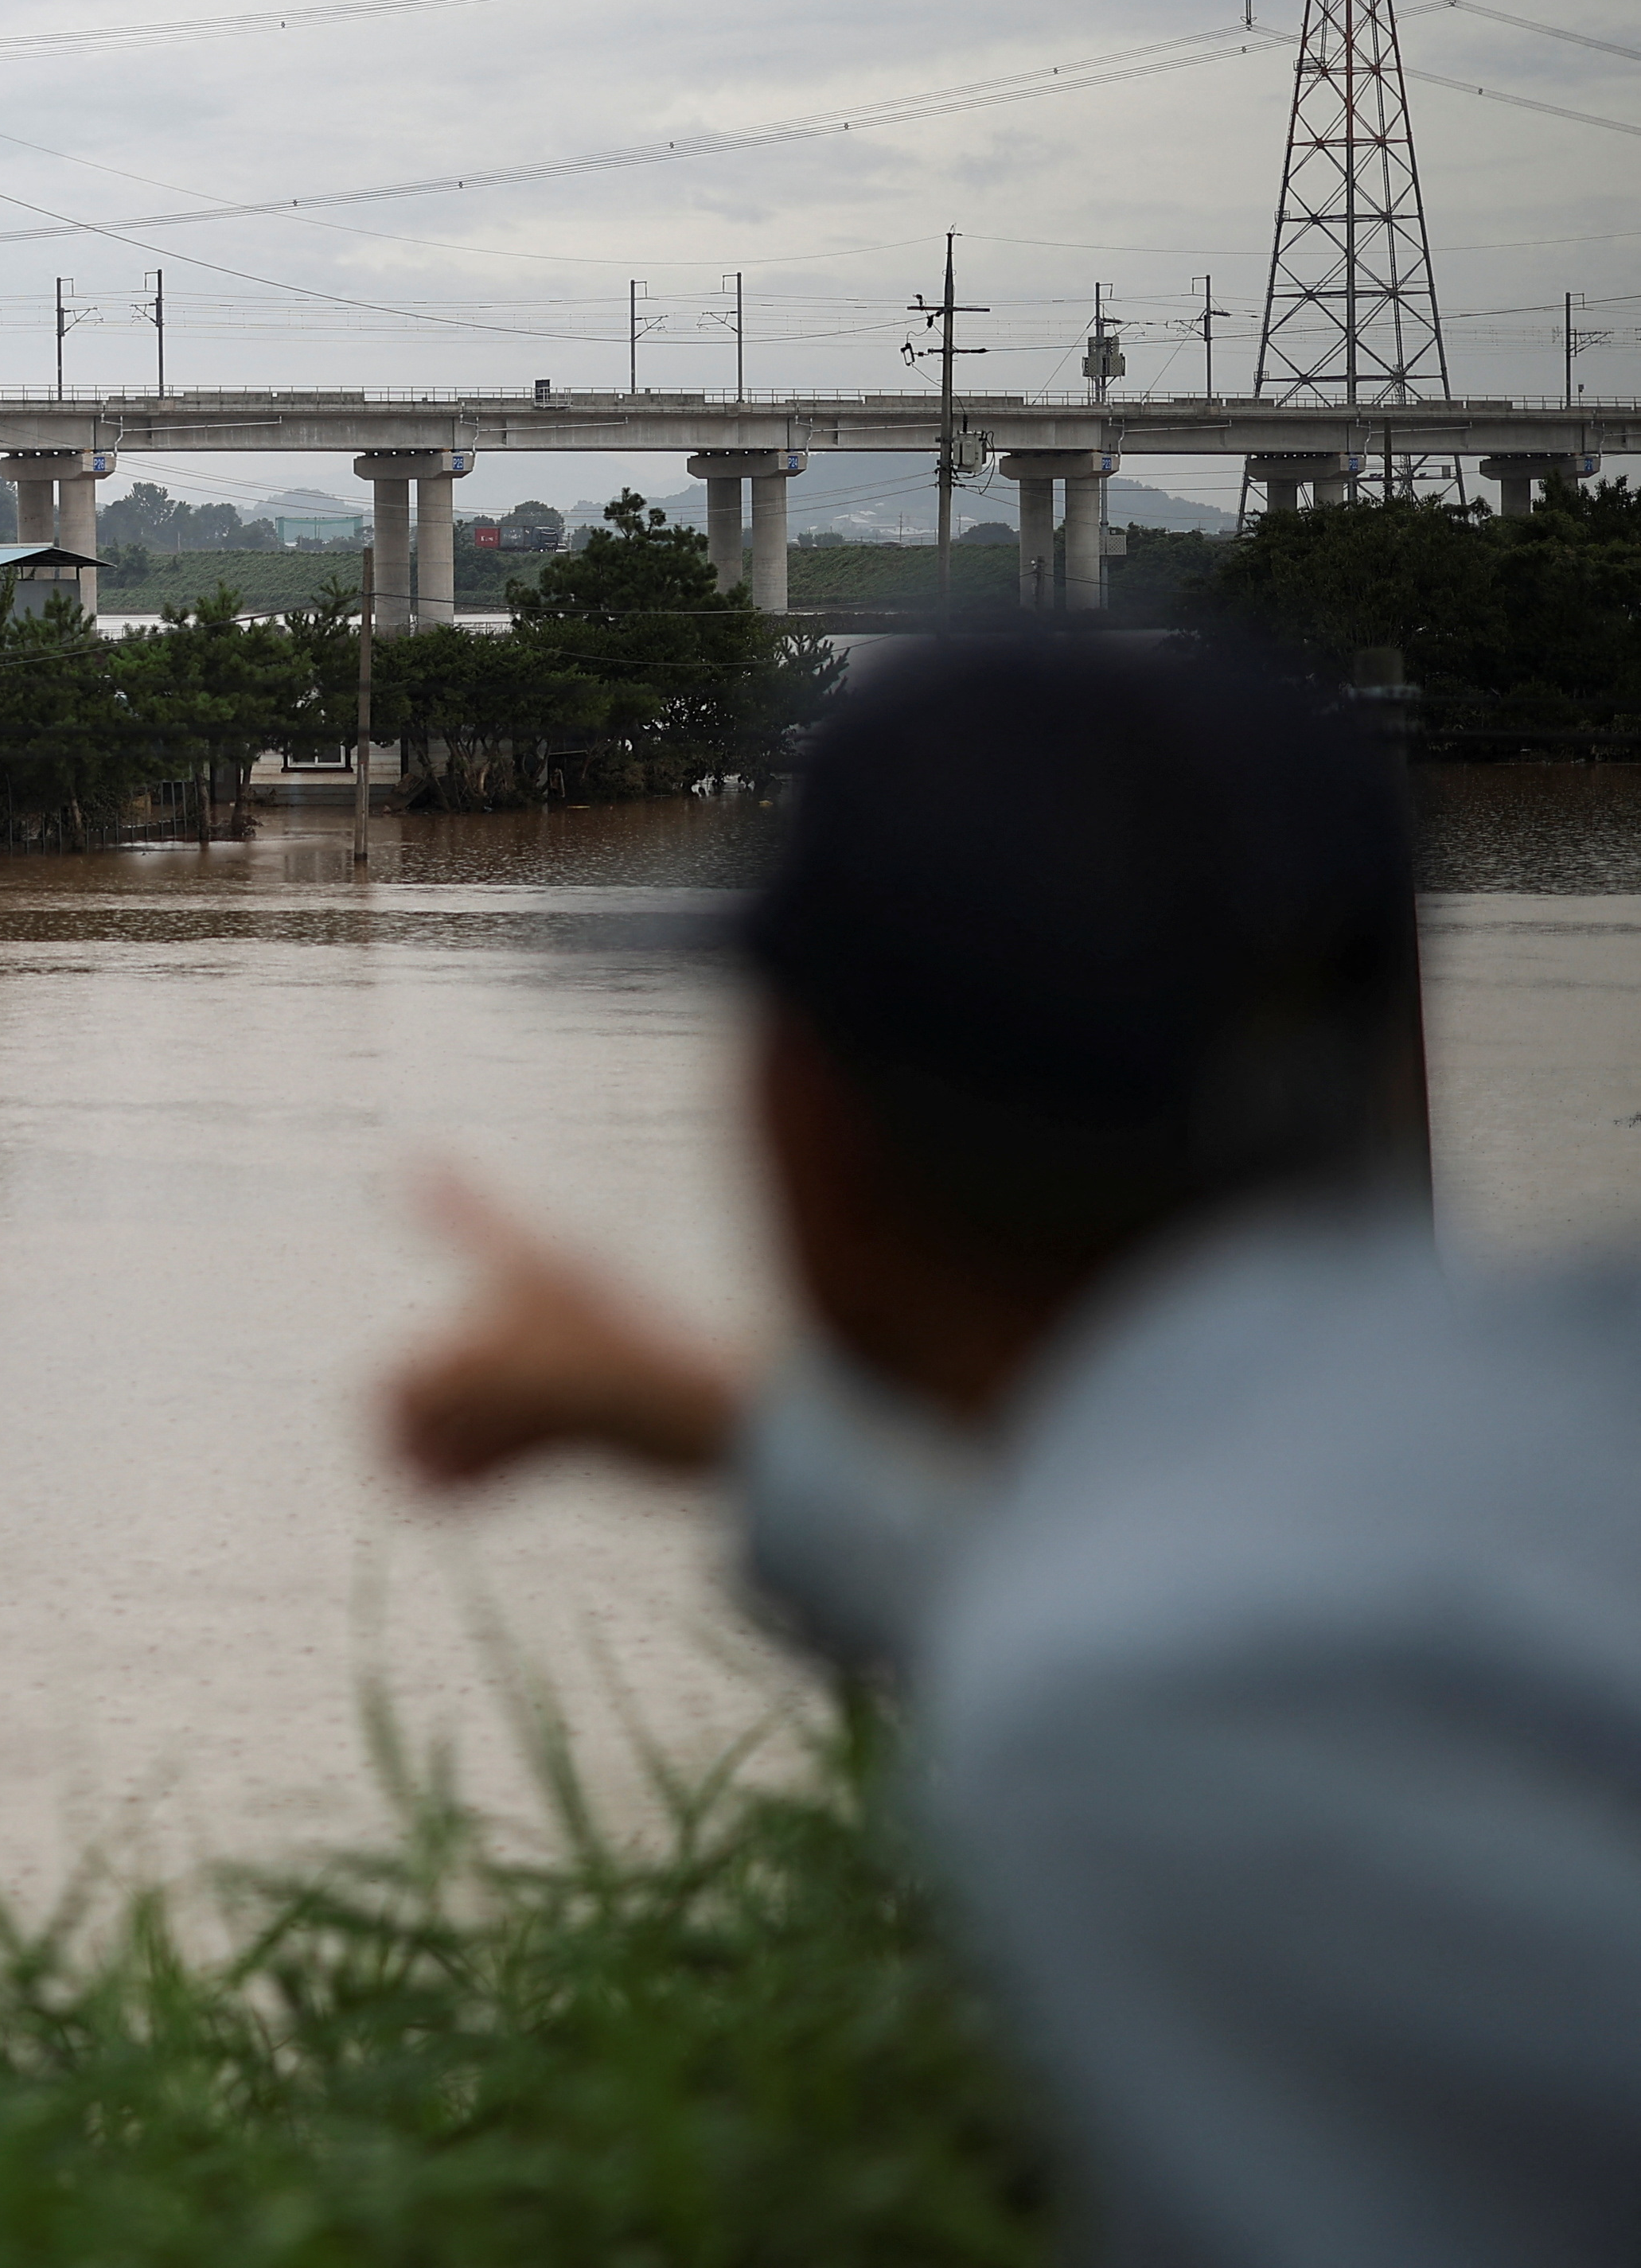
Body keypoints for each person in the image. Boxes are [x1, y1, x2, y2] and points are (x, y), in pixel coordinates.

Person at [386, 637, 1641, 2266]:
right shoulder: (1545, 1419)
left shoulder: (1115, 1723)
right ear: (1401, 1060)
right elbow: (1288, 1605)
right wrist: (708, 1415)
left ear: (808, 1127)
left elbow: (1165, 1640)